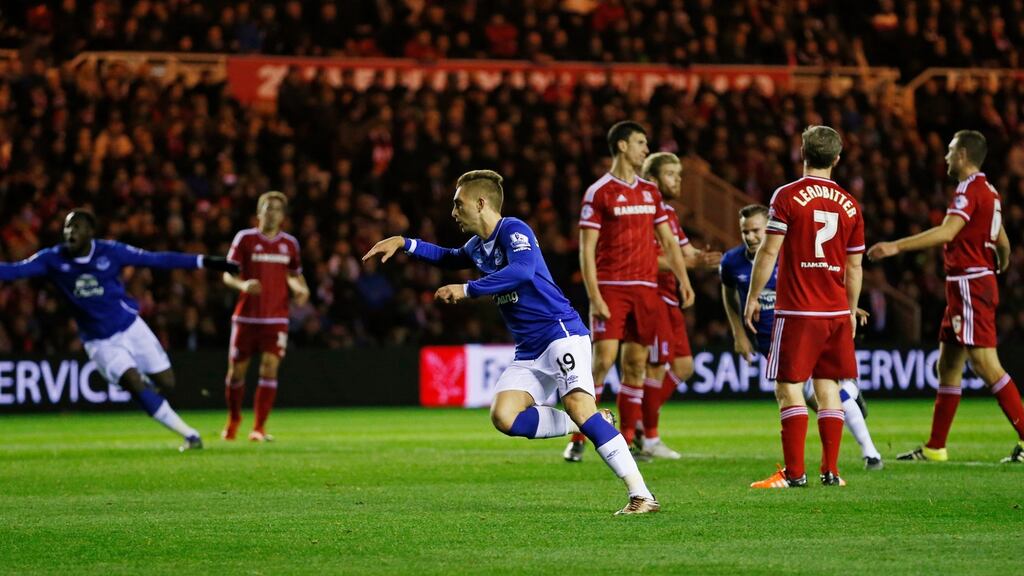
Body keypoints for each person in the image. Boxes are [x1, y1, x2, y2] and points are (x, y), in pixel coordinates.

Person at [363, 170, 660, 514]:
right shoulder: (477, 247)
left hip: (559, 332)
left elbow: (521, 270)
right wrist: (404, 242)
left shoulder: (514, 230)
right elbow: (447, 256)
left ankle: (641, 495)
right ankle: (595, 420)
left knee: (579, 406)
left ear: (481, 203)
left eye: (458, 204)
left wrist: (468, 289)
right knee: (504, 417)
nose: (453, 212)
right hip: (530, 349)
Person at [0, 209, 238, 450]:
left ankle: (142, 388)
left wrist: (205, 261)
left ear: (90, 232)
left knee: (166, 382)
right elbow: (14, 270)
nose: (70, 232)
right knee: (134, 381)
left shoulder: (110, 252)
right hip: (99, 342)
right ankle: (190, 435)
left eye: (77, 227)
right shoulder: (52, 259)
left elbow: (156, 260)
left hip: (130, 326)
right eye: (67, 227)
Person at [868, 130, 1023, 464]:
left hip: (969, 285)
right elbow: (1001, 238)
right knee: (948, 364)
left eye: (951, 151)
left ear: (964, 154)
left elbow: (947, 232)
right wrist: (1002, 258)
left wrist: (895, 246)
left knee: (985, 365)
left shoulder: (969, 190)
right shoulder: (989, 191)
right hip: (966, 285)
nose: (946, 157)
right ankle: (936, 447)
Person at [565, 121, 695, 463]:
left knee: (636, 364)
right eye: (640, 142)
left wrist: (683, 278)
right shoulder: (600, 192)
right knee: (603, 362)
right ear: (622, 146)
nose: (645, 149)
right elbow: (586, 248)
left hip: (646, 290)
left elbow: (667, 240)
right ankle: (579, 435)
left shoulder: (650, 193)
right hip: (612, 288)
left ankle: (626, 439)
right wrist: (593, 295)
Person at [744, 125, 865, 488]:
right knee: (828, 387)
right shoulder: (851, 204)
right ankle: (832, 471)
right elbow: (855, 265)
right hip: (834, 311)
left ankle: (794, 474)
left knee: (788, 386)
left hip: (798, 309)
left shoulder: (788, 195)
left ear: (802, 152)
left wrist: (753, 295)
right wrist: (851, 309)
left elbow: (769, 250)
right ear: (837, 159)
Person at [721, 204, 883, 470]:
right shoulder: (731, 262)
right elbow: (728, 294)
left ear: (769, 228)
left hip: (798, 332)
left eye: (756, 231)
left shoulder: (788, 254)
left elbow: (820, 277)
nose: (750, 237)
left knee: (813, 392)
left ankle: (870, 453)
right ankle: (851, 402)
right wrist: (738, 333)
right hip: (766, 339)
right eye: (745, 232)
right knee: (814, 398)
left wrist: (846, 306)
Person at [635, 152, 721, 459]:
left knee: (684, 367)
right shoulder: (641, 212)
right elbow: (645, 260)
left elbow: (685, 251)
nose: (679, 180)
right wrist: (684, 262)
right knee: (655, 367)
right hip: (653, 296)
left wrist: (705, 259)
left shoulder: (669, 214)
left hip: (671, 297)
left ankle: (636, 423)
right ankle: (648, 439)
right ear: (654, 180)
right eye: (673, 174)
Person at [222, 191, 310, 442]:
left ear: (283, 216)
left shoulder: (290, 244)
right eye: (268, 208)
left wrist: (301, 289)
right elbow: (227, 273)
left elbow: (293, 274)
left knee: (270, 368)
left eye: (277, 210)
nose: (272, 213)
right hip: (246, 318)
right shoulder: (245, 239)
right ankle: (234, 419)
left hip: (277, 318)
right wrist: (242, 286)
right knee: (236, 373)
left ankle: (259, 427)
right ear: (259, 212)